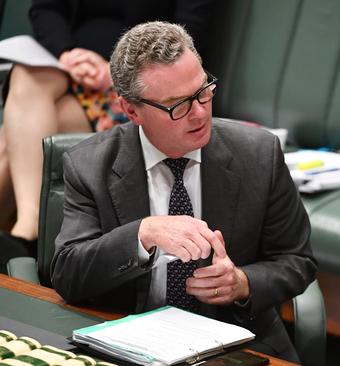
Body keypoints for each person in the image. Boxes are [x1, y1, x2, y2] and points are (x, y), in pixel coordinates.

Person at [49, 21, 316, 363]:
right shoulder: (89, 165)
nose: (200, 112)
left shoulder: (259, 153)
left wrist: (242, 282)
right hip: (128, 343)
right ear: (131, 110)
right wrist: (142, 234)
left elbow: (297, 260)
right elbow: (68, 275)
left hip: (234, 345)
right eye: (178, 105)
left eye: (203, 90)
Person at [0, 0, 216, 272]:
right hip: (69, 65)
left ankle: (25, 233)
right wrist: (67, 53)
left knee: (15, 134)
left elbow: (191, 30)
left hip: (141, 88)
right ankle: (30, 225)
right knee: (25, 78)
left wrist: (114, 73)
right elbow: (46, 8)